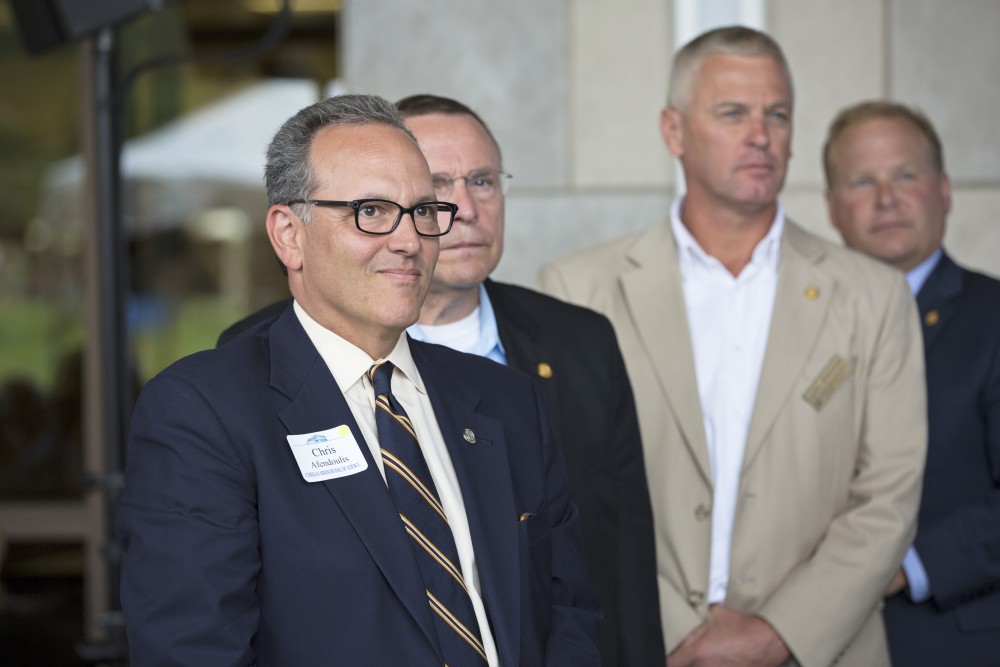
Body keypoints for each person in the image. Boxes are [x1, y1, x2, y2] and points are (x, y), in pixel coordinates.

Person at [117, 94, 601, 666]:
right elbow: (193, 651)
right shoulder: (204, 412)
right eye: (370, 211)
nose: (408, 240)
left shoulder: (506, 401)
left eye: (423, 211)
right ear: (288, 235)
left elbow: (567, 614)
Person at [219, 93, 664, 666]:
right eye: (377, 209)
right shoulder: (241, 375)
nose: (461, 209)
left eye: (481, 181)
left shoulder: (554, 360)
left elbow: (601, 570)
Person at [539, 26, 926, 667]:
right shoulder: (580, 288)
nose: (761, 135)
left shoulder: (873, 294)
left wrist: (775, 635)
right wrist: (673, 633)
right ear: (673, 131)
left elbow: (888, 499)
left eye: (777, 114)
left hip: (823, 651)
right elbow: (572, 493)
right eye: (732, 113)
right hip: (646, 647)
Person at [824, 100, 1000, 666]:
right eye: (861, 181)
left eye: (905, 175)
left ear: (945, 191)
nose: (886, 200)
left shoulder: (993, 318)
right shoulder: (802, 331)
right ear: (831, 208)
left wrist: (898, 568)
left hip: (955, 642)